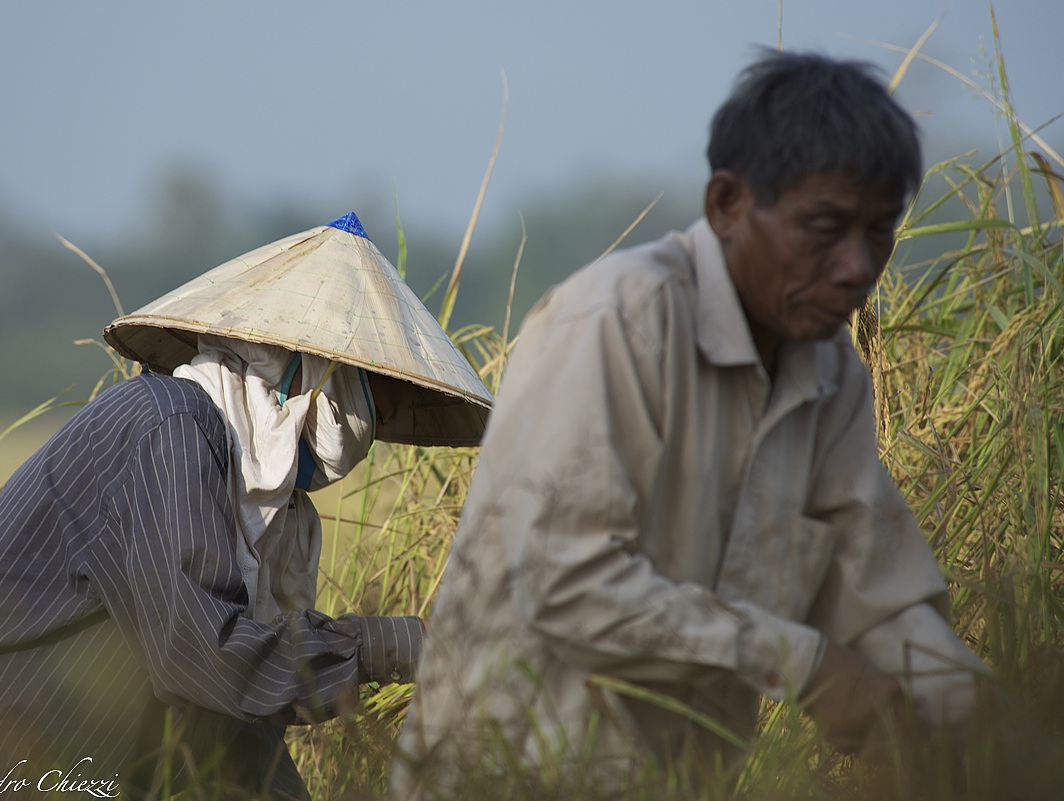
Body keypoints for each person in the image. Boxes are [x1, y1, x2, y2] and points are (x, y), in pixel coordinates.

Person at [391, 52, 990, 798]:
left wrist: (994, 726)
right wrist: (802, 662)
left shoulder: (830, 374)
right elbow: (568, 579)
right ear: (727, 204)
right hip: (508, 777)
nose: (856, 268)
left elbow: (881, 598)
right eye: (826, 227)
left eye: (879, 234)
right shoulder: (617, 321)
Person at [0, 212, 493, 800]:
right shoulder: (168, 428)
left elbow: (228, 726)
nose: (372, 423)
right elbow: (210, 657)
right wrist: (407, 646)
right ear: (302, 372)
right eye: (368, 392)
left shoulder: (243, 490)